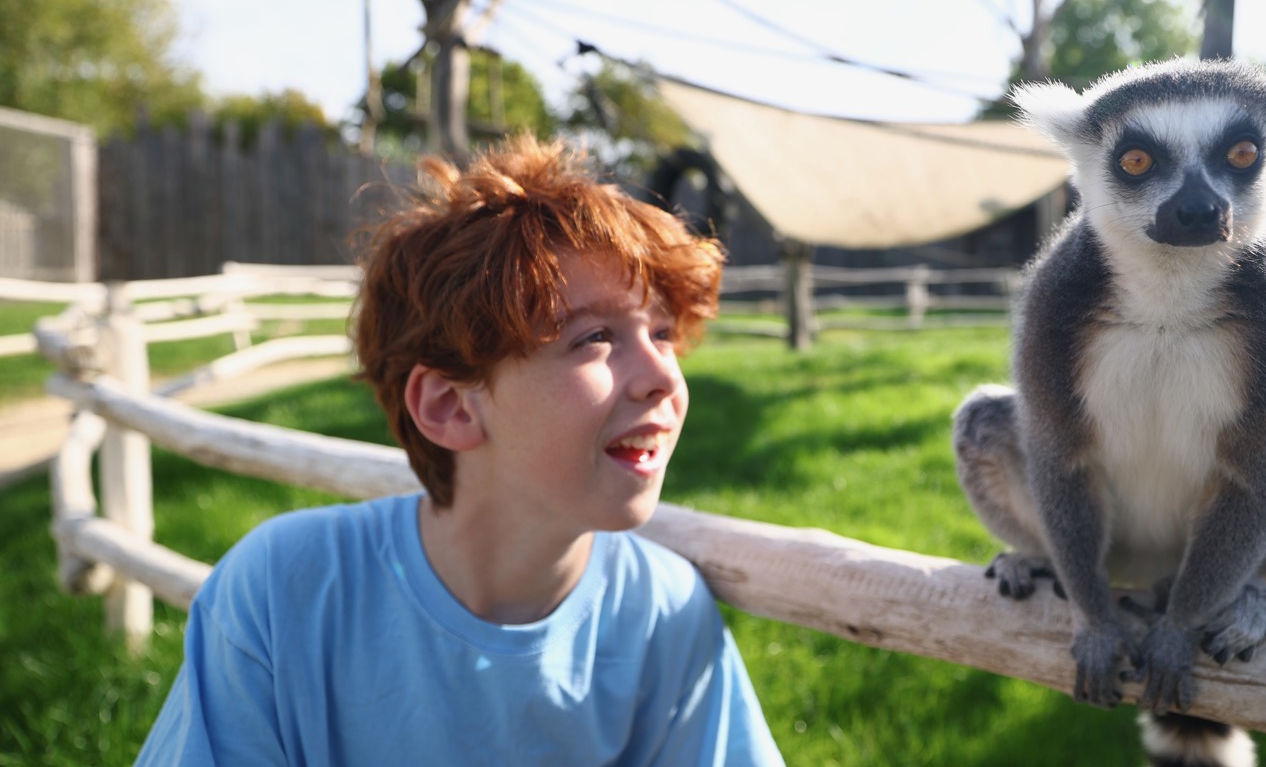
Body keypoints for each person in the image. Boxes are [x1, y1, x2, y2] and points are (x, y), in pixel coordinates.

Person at [136, 137, 784, 766]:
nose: (665, 376)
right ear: (449, 406)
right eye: (593, 338)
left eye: (663, 333)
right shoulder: (285, 591)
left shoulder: (663, 615)